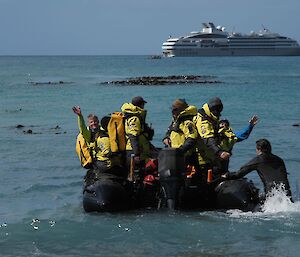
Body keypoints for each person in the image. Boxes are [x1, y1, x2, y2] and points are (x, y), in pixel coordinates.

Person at [223, 139, 292, 199]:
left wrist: (227, 176)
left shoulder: (258, 160)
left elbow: (239, 174)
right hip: (286, 194)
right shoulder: (279, 160)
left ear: (259, 149)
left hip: (272, 196)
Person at [72, 106, 117, 175]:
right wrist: (80, 116)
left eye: (95, 121)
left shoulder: (103, 130)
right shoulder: (88, 134)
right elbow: (82, 128)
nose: (94, 123)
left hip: (107, 158)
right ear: (89, 124)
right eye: (91, 122)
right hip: (96, 160)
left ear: (98, 121)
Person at [193, 97, 231, 175]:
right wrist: (219, 152)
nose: (219, 114)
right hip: (203, 159)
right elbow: (207, 139)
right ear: (214, 109)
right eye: (218, 110)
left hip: (210, 157)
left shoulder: (210, 118)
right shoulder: (203, 121)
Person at [121, 96, 154, 171]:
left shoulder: (131, 116)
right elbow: (133, 136)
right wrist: (136, 154)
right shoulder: (134, 119)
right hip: (133, 151)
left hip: (136, 150)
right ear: (141, 105)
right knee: (137, 174)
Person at [163, 99, 198, 166]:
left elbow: (192, 138)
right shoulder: (176, 121)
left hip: (184, 155)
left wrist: (181, 150)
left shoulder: (187, 122)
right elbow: (169, 131)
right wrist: (166, 138)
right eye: (172, 110)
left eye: (175, 110)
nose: (172, 112)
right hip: (173, 153)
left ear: (181, 110)